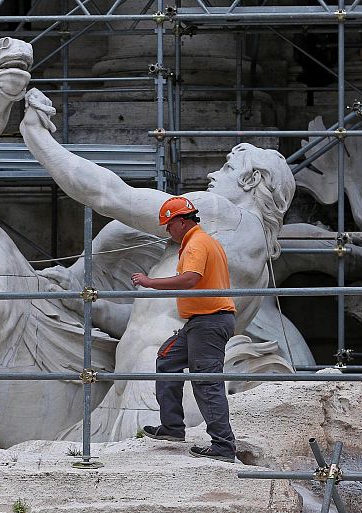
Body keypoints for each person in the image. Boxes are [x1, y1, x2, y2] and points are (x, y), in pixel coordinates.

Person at [20, 87, 296, 446]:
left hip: (148, 385)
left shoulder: (218, 213)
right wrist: (96, 307)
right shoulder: (258, 271)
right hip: (146, 381)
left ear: (250, 180)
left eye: (227, 168)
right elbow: (155, 321)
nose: (214, 175)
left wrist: (37, 137)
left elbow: (111, 196)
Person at [132, 196, 238, 462]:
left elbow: (191, 278)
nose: (167, 230)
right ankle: (172, 428)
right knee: (167, 360)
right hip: (201, 322)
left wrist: (150, 282)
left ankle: (223, 446)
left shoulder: (196, 244)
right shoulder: (202, 241)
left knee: (206, 382)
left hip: (209, 322)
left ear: (181, 221)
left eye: (168, 224)